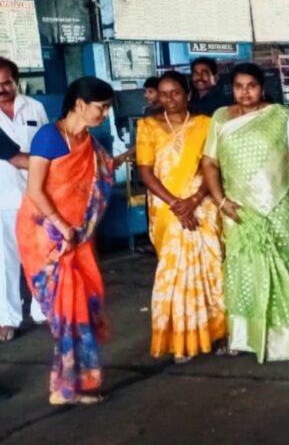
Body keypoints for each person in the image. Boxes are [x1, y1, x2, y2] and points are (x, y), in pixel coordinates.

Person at [201, 63, 289, 362]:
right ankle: (245, 337)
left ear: (262, 88)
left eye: (251, 86)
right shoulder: (220, 117)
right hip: (238, 207)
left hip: (282, 205)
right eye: (239, 86)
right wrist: (221, 202)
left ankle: (286, 337)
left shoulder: (281, 116)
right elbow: (209, 163)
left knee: (287, 261)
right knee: (243, 268)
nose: (245, 92)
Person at [17, 77, 114, 405]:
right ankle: (64, 387)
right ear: (80, 104)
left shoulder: (88, 142)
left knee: (83, 307)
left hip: (77, 236)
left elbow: (100, 176)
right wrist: (61, 227)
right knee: (65, 313)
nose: (105, 114)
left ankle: (77, 383)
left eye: (108, 107)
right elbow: (35, 189)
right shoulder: (49, 136)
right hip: (45, 236)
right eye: (101, 107)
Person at [136, 71, 226, 364]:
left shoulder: (206, 124)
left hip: (202, 203)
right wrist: (176, 204)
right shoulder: (147, 126)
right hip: (167, 207)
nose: (169, 99)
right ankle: (181, 339)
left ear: (187, 94)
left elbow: (213, 166)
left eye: (175, 92)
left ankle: (217, 332)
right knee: (173, 273)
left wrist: (195, 200)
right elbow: (145, 172)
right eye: (163, 94)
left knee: (211, 266)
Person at [0, 57, 48, 342]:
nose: (2, 89)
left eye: (6, 82)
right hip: (1, 198)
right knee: (3, 262)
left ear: (16, 81)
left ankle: (42, 309)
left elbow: (48, 147)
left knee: (40, 256)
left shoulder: (35, 107)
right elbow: (17, 158)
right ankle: (7, 318)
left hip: (35, 195)